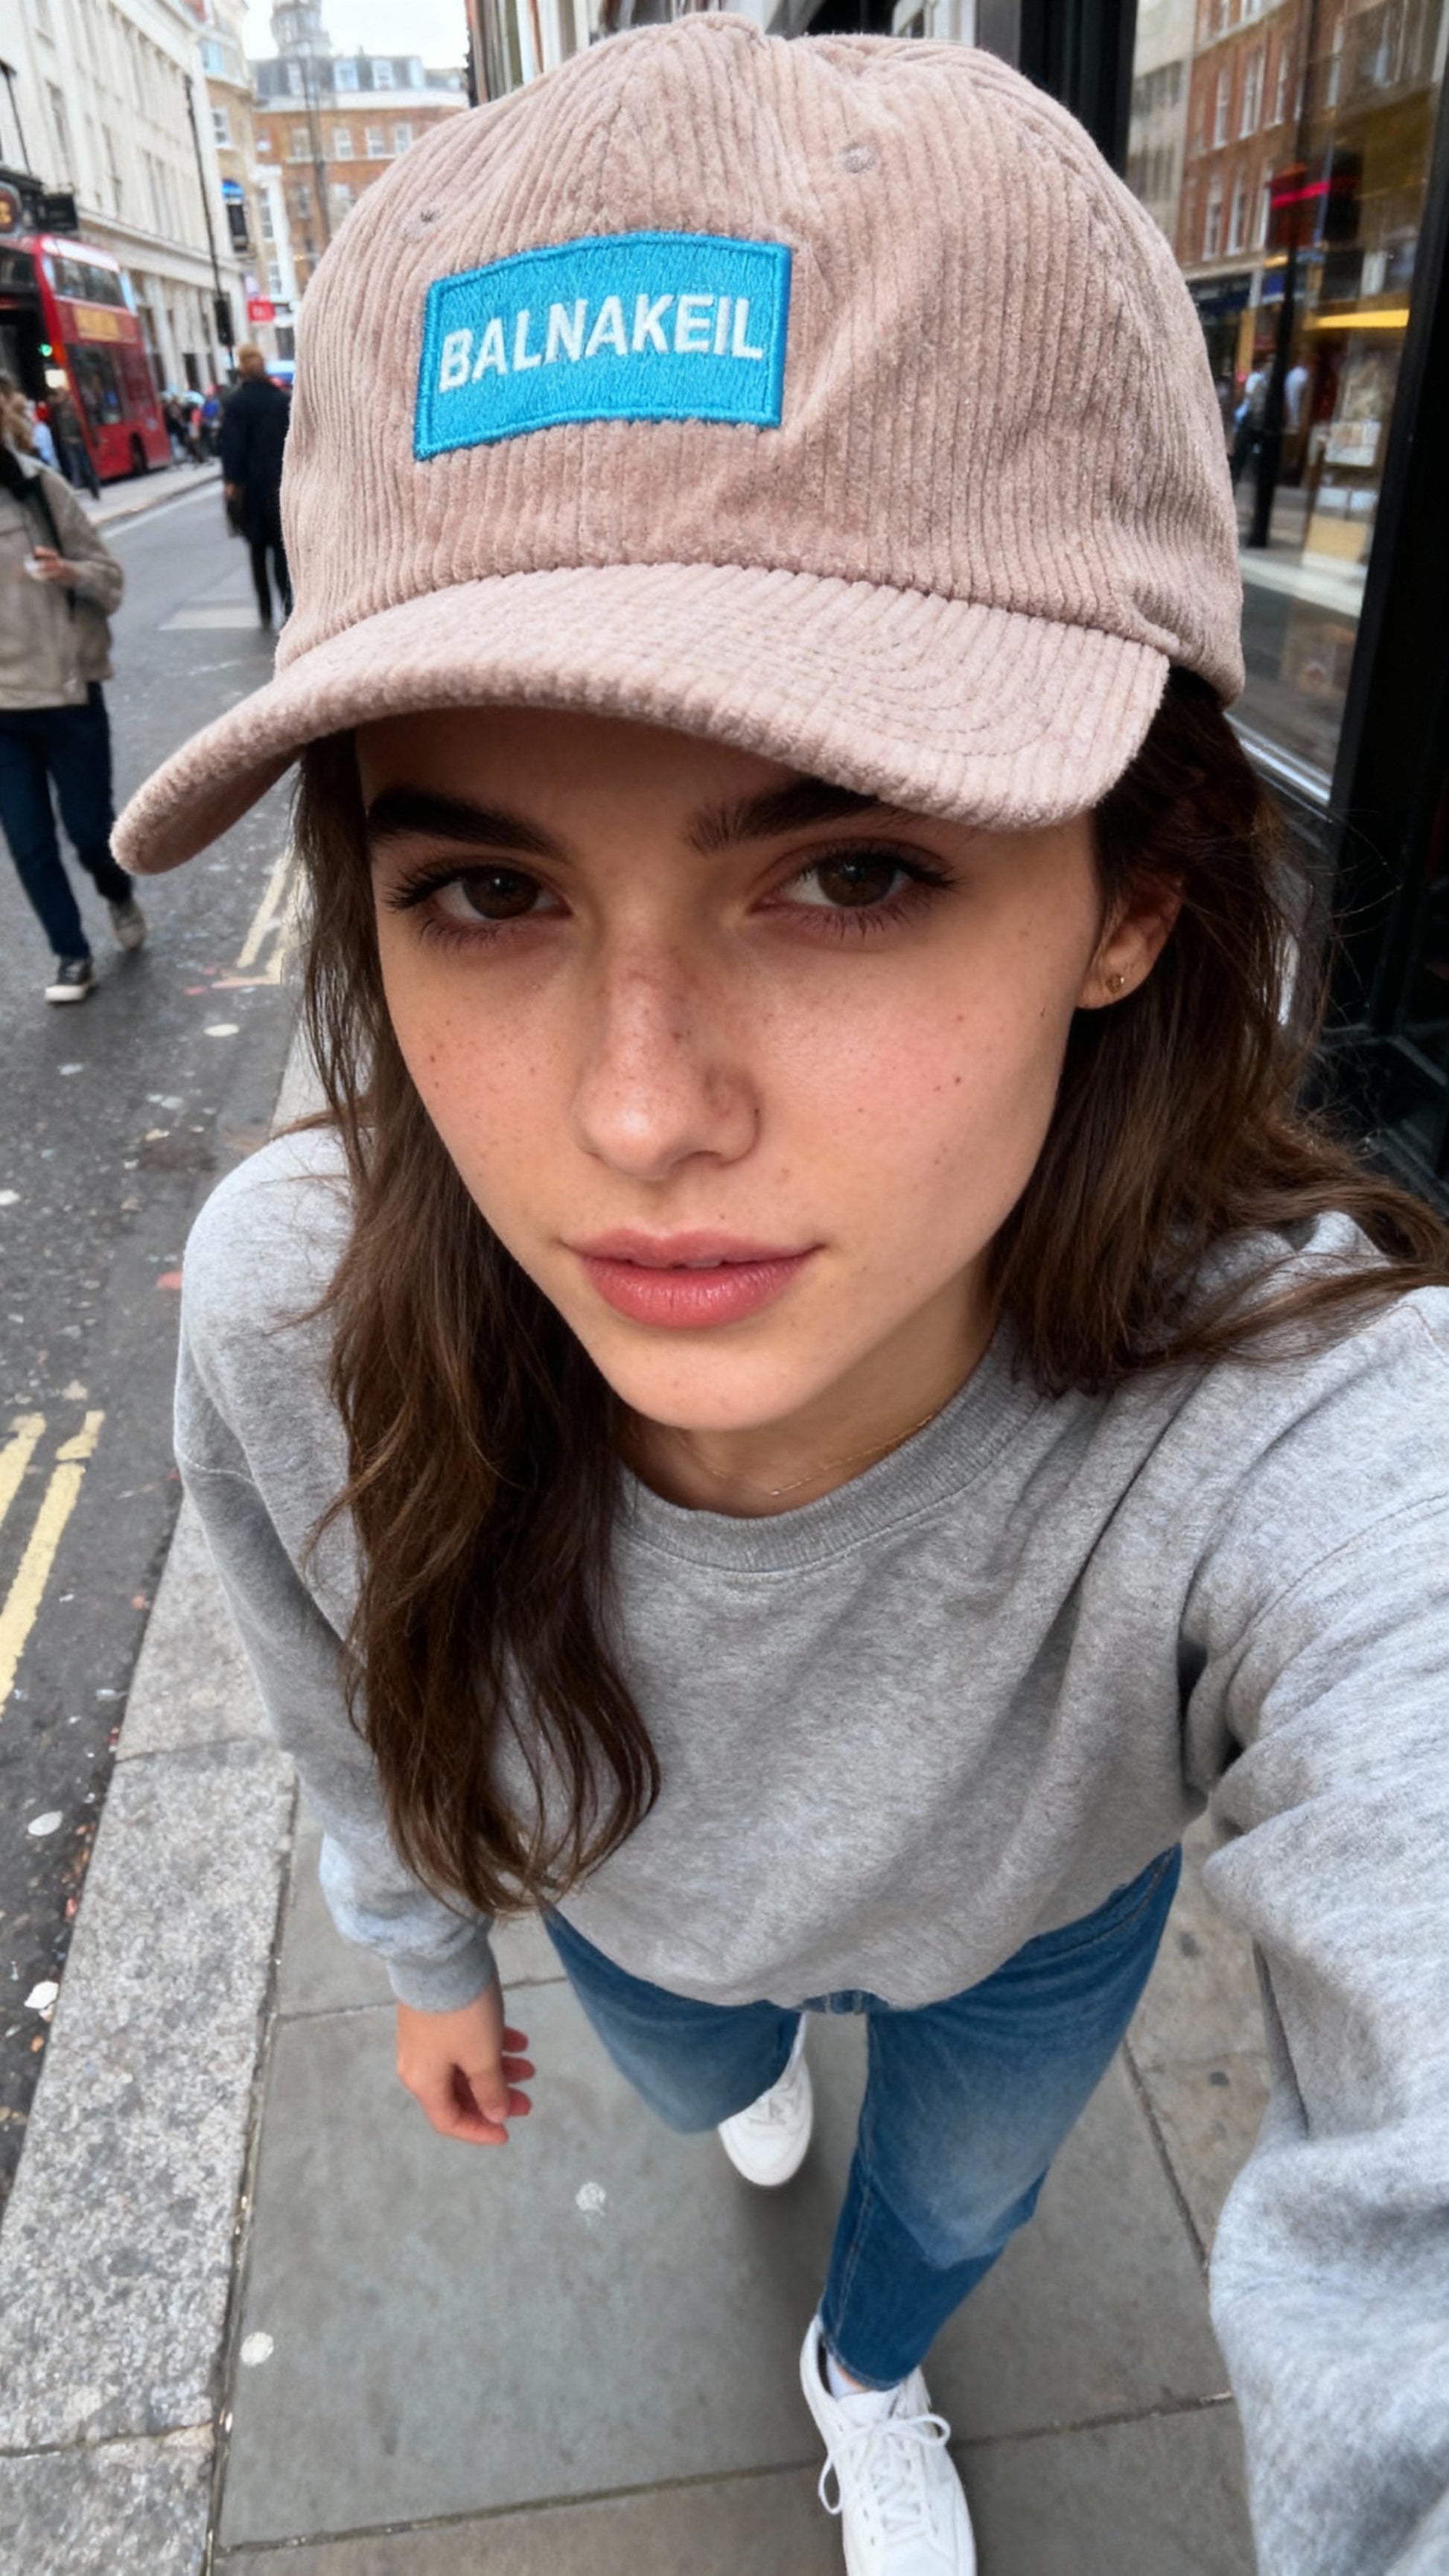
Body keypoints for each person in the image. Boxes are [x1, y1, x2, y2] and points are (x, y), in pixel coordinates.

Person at [115, 26, 1449, 2575]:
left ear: (1136, 895)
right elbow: (312, 1651)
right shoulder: (297, 1305)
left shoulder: (1285, 1423)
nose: (633, 1117)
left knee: (931, 2217)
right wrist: (420, 1950)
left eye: (845, 872)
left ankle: (860, 2368)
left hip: (1022, 1953)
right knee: (699, 2042)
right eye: (483, 890)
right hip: (639, 1914)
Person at [0, 394, 144, 1000]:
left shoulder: (40, 491)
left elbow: (110, 580)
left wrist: (69, 573)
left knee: (89, 831)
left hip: (67, 695)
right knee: (29, 841)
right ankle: (70, 953)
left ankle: (117, 893)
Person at [220, 342, 291, 630]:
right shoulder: (279, 399)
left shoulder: (235, 403)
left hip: (250, 488)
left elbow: (232, 446)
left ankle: (264, 610)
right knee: (281, 549)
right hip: (278, 485)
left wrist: (232, 482)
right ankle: (288, 606)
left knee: (257, 551)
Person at [47, 383, 99, 499]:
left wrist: (74, 436)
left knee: (83, 465)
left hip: (75, 440)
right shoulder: (59, 409)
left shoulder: (70, 405)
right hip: (68, 441)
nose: (57, 397)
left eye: (59, 394)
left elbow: (75, 423)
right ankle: (82, 486)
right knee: (76, 464)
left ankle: (92, 487)